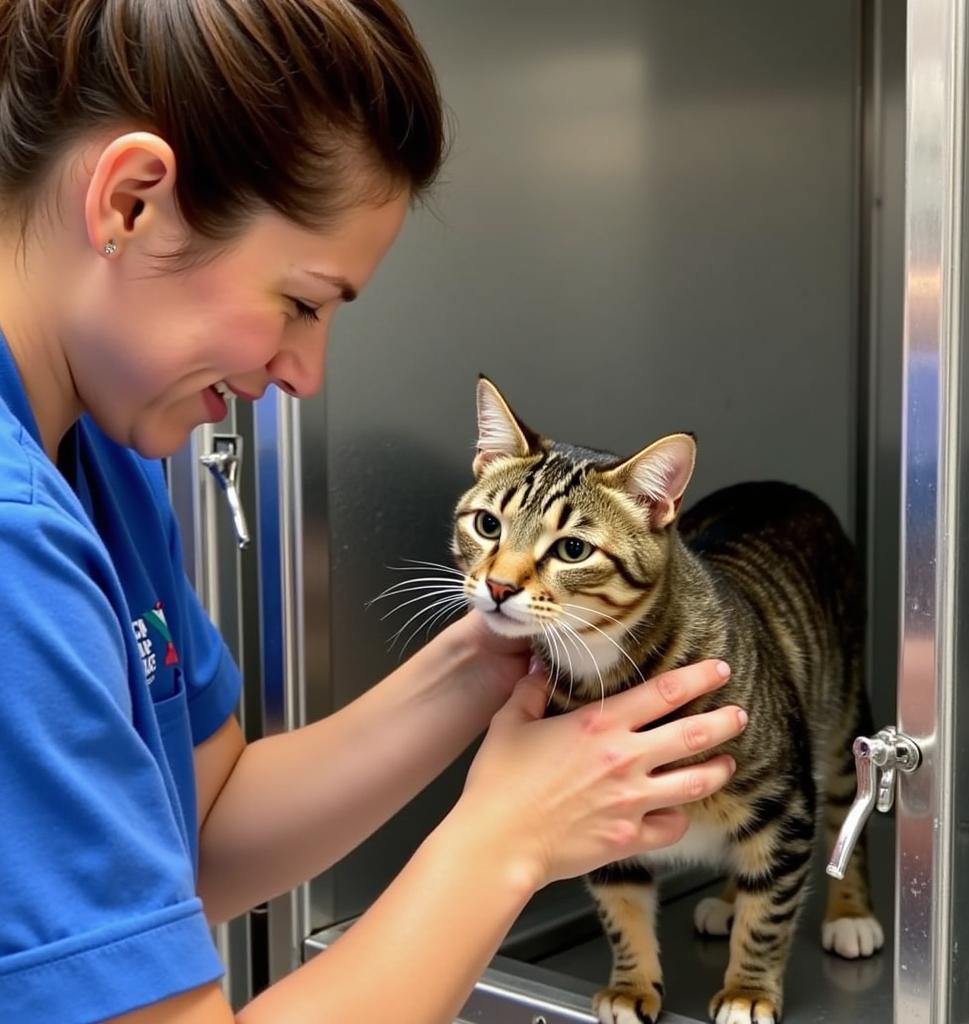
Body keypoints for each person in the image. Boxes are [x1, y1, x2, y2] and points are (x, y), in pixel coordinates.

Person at [0, 2, 748, 1022]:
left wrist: (476, 662)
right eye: (303, 303)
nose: (305, 375)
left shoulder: (102, 455)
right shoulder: (14, 545)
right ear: (132, 201)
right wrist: (506, 838)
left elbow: (199, 829)